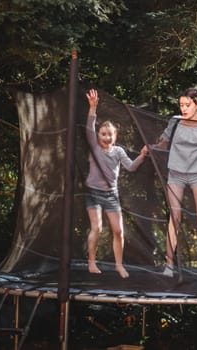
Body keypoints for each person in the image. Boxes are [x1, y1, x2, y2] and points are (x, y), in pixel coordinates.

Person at [143, 87, 197, 277]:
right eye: (181, 105)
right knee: (175, 218)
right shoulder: (175, 122)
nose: (184, 108)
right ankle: (169, 265)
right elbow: (164, 143)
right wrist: (151, 147)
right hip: (176, 174)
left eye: (187, 105)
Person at [85, 89, 147, 278]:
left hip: (111, 194)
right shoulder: (94, 147)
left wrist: (143, 155)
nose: (107, 137)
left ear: (115, 136)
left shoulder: (118, 151)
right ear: (98, 136)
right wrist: (93, 107)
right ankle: (91, 262)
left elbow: (131, 167)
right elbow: (89, 127)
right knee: (97, 228)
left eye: (110, 134)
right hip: (93, 192)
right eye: (103, 134)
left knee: (118, 231)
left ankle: (119, 265)